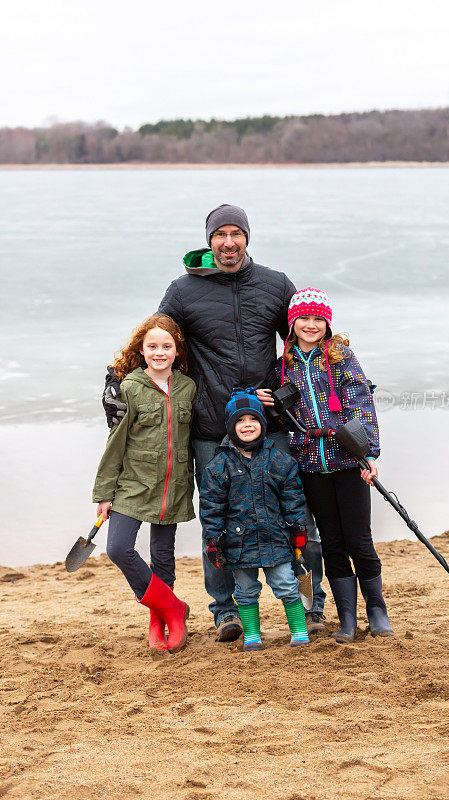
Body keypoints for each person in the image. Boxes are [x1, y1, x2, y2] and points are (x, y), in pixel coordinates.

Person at [102, 205, 326, 642]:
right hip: (210, 429)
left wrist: (283, 396)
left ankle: (311, 604)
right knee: (219, 520)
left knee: (297, 513)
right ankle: (225, 611)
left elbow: (303, 344)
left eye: (236, 234)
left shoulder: (276, 285)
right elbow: (157, 337)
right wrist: (116, 384)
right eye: (220, 234)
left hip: (270, 425)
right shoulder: (184, 291)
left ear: (247, 238)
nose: (228, 242)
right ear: (209, 241)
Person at [268, 287, 394, 642]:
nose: (310, 325)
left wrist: (368, 454)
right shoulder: (283, 367)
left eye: (317, 319)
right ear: (292, 325)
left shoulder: (341, 357)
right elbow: (283, 418)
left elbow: (361, 405)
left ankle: (377, 610)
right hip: (309, 465)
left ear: (327, 322)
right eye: (303, 319)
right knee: (331, 542)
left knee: (359, 540)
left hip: (347, 461)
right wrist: (270, 404)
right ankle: (348, 618)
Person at [93, 313, 196, 652]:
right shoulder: (129, 388)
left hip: (174, 485)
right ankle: (170, 607)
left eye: (166, 346)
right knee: (118, 548)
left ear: (177, 350)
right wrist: (104, 493)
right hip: (132, 485)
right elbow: (115, 442)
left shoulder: (188, 387)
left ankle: (159, 619)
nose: (159, 352)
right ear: (141, 348)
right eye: (152, 346)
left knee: (162, 555)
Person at [200, 387, 310, 650]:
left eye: (253, 419)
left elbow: (293, 499)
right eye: (240, 420)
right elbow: (211, 506)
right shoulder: (219, 465)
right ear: (230, 426)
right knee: (246, 590)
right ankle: (252, 635)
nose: (247, 425)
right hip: (239, 542)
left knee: (285, 583)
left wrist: (298, 529)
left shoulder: (279, 460)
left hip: (276, 538)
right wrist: (213, 541)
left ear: (262, 422)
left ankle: (298, 630)